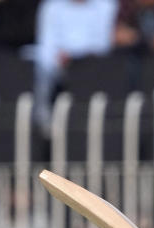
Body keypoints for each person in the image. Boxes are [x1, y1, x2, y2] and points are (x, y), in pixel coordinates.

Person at [32, 0, 118, 134]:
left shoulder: (107, 5)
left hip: (93, 64)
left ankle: (107, 124)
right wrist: (59, 60)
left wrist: (76, 57)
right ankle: (44, 124)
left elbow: (103, 45)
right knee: (38, 66)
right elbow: (46, 46)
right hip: (59, 66)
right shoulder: (51, 6)